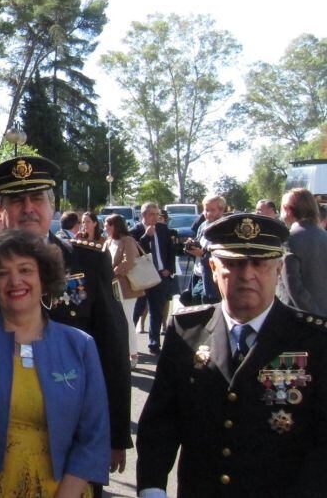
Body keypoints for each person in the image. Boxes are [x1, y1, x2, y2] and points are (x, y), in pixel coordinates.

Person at [0, 156, 131, 480]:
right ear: (0, 211)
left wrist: (116, 435)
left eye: (36, 198)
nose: (27, 208)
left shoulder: (89, 261)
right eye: (16, 200)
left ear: (52, 206)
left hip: (74, 444)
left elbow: (113, 350)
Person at [136, 213, 327, 497]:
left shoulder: (314, 339)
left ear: (278, 269)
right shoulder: (187, 330)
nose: (247, 274)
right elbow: (162, 421)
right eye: (234, 264)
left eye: (260, 264)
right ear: (213, 267)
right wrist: (152, 489)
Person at [0, 230, 110, 498]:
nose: (14, 281)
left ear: (45, 276)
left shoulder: (80, 345)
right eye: (1, 273)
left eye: (25, 269)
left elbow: (93, 436)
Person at [131, 202, 176, 355]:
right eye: (152, 214)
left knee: (156, 311)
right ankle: (129, 343)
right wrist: (146, 237)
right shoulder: (135, 230)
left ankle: (154, 344)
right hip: (142, 277)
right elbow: (133, 252)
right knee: (136, 310)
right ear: (143, 215)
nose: (156, 217)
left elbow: (171, 250)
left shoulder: (163, 229)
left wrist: (169, 269)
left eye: (157, 214)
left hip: (160, 275)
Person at [105, 214, 145, 369]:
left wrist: (112, 272)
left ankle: (133, 355)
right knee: (116, 320)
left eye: (107, 225)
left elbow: (130, 261)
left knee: (127, 320)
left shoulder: (127, 240)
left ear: (115, 225)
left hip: (125, 287)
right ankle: (120, 352)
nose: (105, 228)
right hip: (112, 287)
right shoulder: (108, 241)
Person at [278, 188, 327, 316]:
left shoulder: (289, 239)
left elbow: (293, 286)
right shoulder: (324, 235)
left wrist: (316, 318)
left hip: (300, 321)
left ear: (288, 210)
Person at [186, 195, 226, 304]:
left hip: (214, 281)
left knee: (210, 312)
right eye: (206, 210)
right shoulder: (203, 225)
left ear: (221, 210)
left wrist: (204, 254)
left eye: (212, 210)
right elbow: (200, 243)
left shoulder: (226, 228)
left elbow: (225, 255)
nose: (208, 213)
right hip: (198, 275)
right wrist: (192, 244)